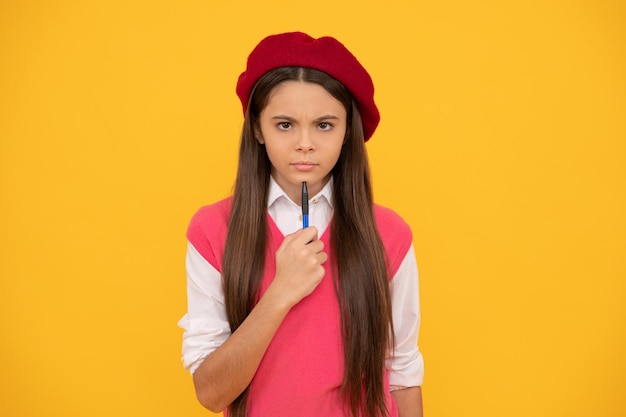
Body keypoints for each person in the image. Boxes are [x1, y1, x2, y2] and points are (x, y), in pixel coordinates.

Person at [178, 32, 424, 417]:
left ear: (348, 133)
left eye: (324, 125)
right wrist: (280, 292)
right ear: (257, 129)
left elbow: (403, 371)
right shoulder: (212, 230)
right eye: (285, 125)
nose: (305, 143)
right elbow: (211, 393)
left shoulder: (389, 234)